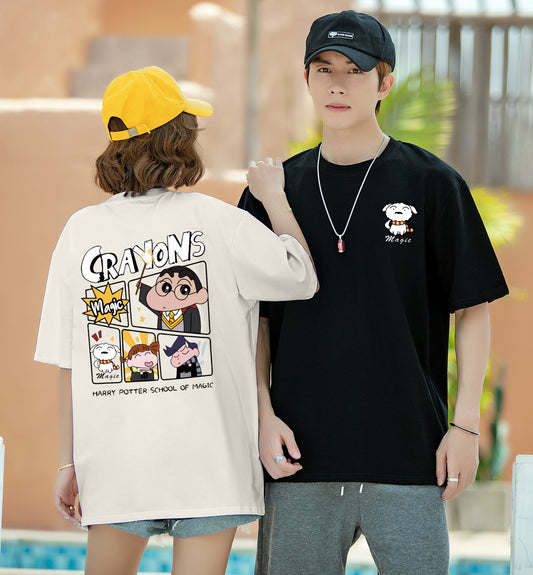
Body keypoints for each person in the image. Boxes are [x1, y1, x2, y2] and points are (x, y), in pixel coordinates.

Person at [239, 10, 509, 575]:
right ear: (307, 78)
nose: (337, 84)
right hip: (298, 459)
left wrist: (464, 427)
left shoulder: (432, 183)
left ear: (384, 83)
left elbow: (472, 308)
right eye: (324, 68)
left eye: (355, 70)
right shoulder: (272, 192)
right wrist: (262, 415)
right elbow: (253, 323)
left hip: (411, 456)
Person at [34, 66, 317, 575]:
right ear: (178, 138)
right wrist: (274, 197)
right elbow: (300, 277)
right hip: (211, 465)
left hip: (116, 467)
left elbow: (70, 362)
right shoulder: (219, 221)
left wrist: (67, 462)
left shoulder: (80, 231)